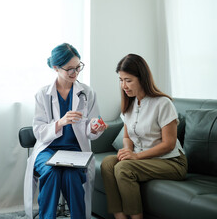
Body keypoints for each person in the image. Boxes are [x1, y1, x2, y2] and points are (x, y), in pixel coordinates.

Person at [23, 43, 107, 219]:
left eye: (78, 67)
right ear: (56, 68)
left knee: (72, 175)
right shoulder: (43, 94)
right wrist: (60, 123)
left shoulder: (87, 93)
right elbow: (38, 131)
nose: (75, 73)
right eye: (69, 69)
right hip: (48, 150)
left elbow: (90, 128)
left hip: (75, 151)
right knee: (51, 172)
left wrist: (95, 127)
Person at [100, 54, 188, 219]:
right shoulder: (130, 104)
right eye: (120, 80)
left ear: (142, 78)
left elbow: (169, 144)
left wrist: (136, 156)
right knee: (108, 164)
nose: (123, 85)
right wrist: (127, 152)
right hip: (145, 160)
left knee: (123, 169)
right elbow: (127, 137)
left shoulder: (163, 103)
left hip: (171, 161)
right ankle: (120, 217)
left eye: (128, 80)